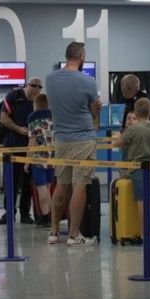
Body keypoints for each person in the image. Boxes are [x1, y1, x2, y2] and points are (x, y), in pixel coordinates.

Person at [44, 41, 102, 247]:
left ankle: (53, 232)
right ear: (82, 57)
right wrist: (97, 108)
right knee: (80, 185)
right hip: (83, 138)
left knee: (61, 184)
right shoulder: (88, 82)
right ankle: (74, 234)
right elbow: (93, 112)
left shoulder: (50, 79)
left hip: (61, 138)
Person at [113, 98, 150, 246]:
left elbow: (118, 143)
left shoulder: (133, 129)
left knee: (142, 202)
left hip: (137, 169)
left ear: (136, 113)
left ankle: (144, 235)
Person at [0, 77, 43, 224]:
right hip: (12, 146)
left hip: (31, 149)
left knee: (28, 182)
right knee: (10, 181)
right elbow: (3, 118)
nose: (35, 89)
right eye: (33, 85)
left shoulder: (39, 102)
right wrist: (18, 129)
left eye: (39, 87)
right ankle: (9, 213)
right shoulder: (14, 96)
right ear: (27, 85)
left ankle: (25, 213)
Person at [26, 93, 54, 227]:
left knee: (42, 191)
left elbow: (32, 143)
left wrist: (27, 162)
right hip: (53, 158)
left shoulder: (33, 119)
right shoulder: (54, 117)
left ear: (36, 104)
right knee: (48, 190)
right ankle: (51, 217)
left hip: (38, 159)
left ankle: (45, 217)